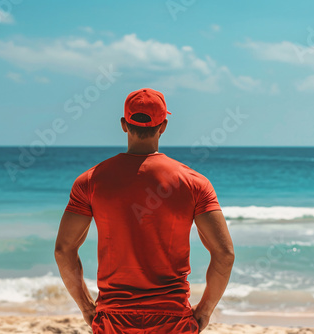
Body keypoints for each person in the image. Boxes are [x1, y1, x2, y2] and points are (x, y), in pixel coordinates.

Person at [54, 88, 235, 333]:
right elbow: (224, 253)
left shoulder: (90, 181)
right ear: (163, 126)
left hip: (113, 319)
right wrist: (204, 310)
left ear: (123, 124)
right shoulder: (194, 182)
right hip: (171, 319)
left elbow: (64, 249)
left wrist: (87, 307)